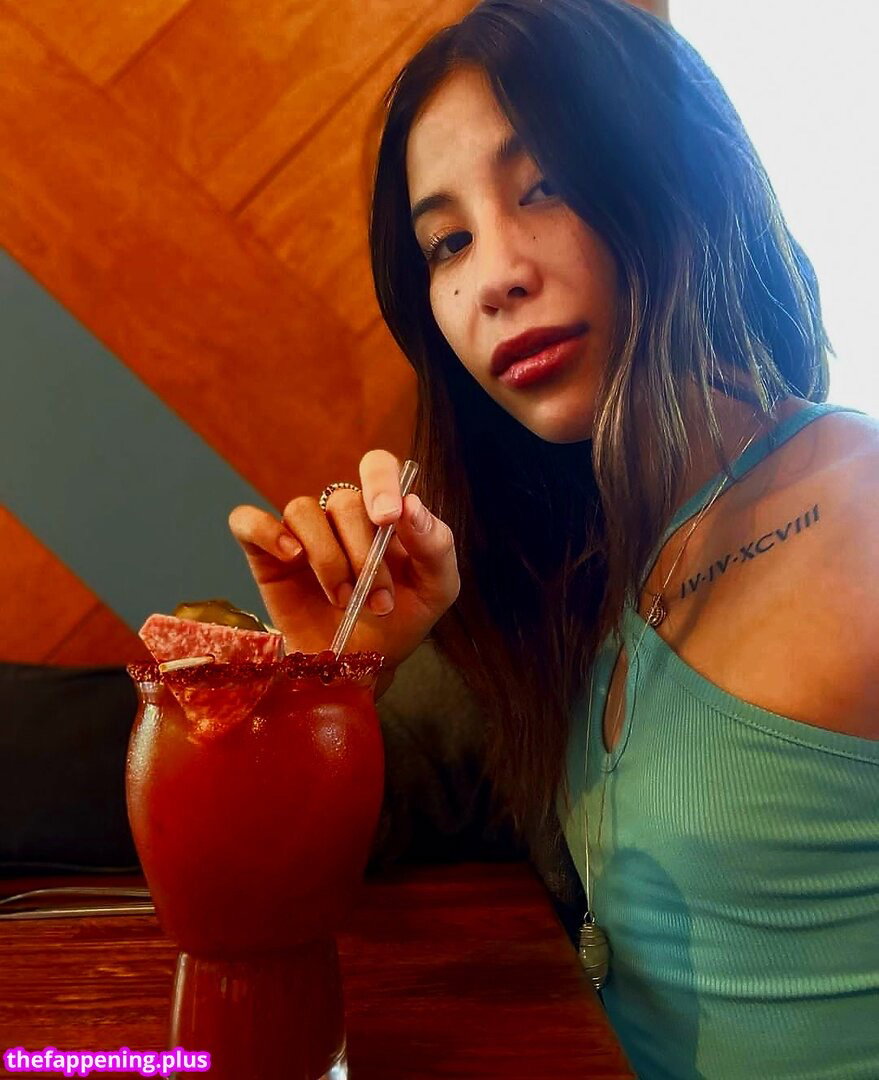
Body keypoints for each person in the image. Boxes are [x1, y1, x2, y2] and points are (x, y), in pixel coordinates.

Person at [228, 0, 879, 1076]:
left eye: (545, 185)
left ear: (676, 176)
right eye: (447, 242)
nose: (494, 277)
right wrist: (325, 679)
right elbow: (250, 897)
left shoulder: (856, 505)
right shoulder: (583, 565)